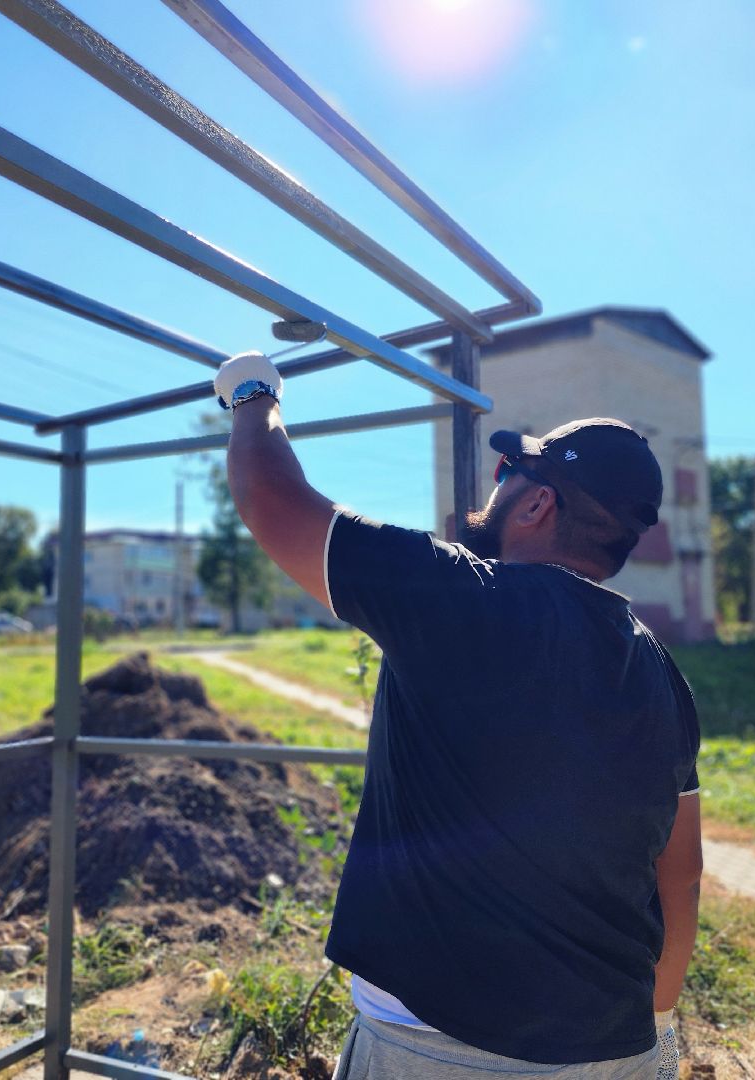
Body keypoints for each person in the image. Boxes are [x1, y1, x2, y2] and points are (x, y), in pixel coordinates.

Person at [214, 350, 702, 1079]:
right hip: (619, 1047)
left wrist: (251, 392)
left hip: (437, 1048)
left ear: (539, 506)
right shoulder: (660, 671)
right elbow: (682, 872)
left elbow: (268, 496)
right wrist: (657, 1028)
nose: (496, 485)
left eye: (512, 475)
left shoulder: (461, 595)